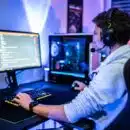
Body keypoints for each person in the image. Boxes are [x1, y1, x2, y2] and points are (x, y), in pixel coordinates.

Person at [13, 8, 130, 130]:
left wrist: (31, 105)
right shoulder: (125, 59)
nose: (93, 38)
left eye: (95, 33)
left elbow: (69, 114)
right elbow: (112, 92)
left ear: (107, 37)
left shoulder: (112, 71)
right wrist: (89, 90)